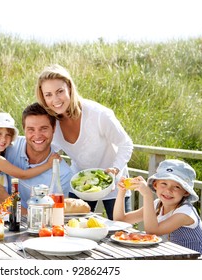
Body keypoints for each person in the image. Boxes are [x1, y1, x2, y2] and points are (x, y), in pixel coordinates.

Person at [35, 64, 133, 220]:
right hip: (81, 182)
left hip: (114, 181)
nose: (55, 100)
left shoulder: (99, 115)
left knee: (121, 230)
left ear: (70, 89)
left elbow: (125, 144)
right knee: (73, 229)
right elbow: (44, 150)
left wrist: (115, 169)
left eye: (60, 91)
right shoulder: (51, 123)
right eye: (48, 95)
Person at [0, 103, 73, 214]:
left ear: (54, 128)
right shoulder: (9, 147)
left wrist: (8, 202)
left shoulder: (62, 174)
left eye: (43, 129)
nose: (37, 135)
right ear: (24, 129)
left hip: (28, 227)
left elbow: (52, 217)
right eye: (31, 129)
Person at [113, 159, 202, 255]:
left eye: (177, 187)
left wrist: (147, 195)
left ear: (186, 192)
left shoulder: (185, 213)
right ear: (155, 185)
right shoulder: (158, 205)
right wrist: (122, 192)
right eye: (164, 184)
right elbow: (120, 220)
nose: (168, 190)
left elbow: (152, 231)